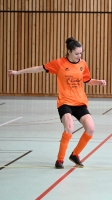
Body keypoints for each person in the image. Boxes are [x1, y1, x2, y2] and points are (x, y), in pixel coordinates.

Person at [7, 37, 106, 168]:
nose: (79, 56)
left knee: (91, 129)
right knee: (69, 128)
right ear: (69, 51)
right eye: (77, 53)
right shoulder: (59, 63)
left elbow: (87, 80)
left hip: (80, 102)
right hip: (65, 102)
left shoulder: (83, 64)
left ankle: (75, 155)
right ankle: (60, 160)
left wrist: (98, 82)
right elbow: (38, 68)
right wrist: (17, 72)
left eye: (81, 53)